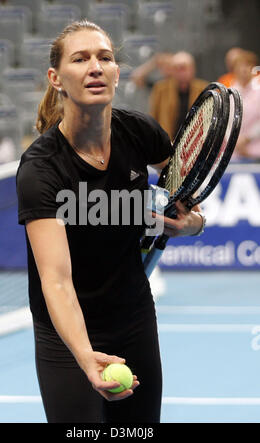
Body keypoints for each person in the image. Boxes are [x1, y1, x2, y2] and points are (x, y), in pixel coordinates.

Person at [16, 20, 205, 423]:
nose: (95, 67)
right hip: (66, 335)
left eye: (105, 57)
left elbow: (187, 203)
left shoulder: (140, 133)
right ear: (56, 79)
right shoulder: (42, 169)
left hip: (132, 317)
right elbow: (56, 280)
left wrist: (191, 226)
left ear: (118, 72)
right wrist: (85, 356)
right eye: (80, 59)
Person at [149, 51, 208, 141]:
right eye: (177, 69)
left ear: (192, 69)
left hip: (196, 144)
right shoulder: (161, 89)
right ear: (172, 71)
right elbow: (153, 118)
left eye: (184, 68)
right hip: (168, 143)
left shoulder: (203, 89)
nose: (181, 73)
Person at [232, 50, 260, 161]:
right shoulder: (228, 93)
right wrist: (235, 141)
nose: (244, 69)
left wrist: (247, 139)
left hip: (256, 153)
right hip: (233, 153)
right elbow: (225, 122)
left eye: (248, 65)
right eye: (240, 66)